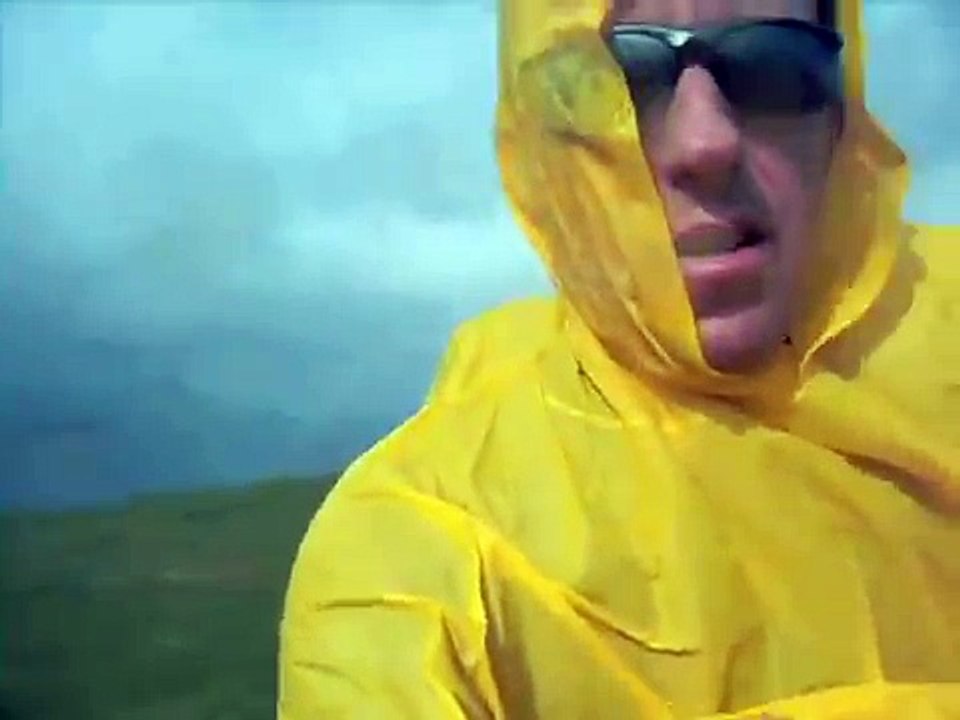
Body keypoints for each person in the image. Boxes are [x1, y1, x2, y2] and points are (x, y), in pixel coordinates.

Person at [278, 0, 960, 717]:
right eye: (617, 77)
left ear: (840, 113)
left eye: (773, 67)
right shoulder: (426, 555)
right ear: (540, 127)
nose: (705, 142)